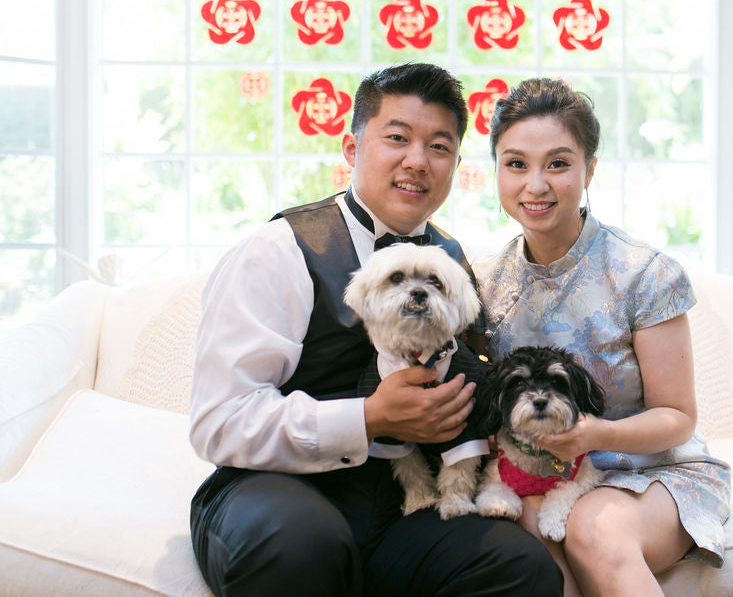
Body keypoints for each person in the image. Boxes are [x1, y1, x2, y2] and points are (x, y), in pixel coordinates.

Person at [188, 63, 562, 596]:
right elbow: (219, 422)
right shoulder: (277, 250)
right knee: (299, 544)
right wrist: (368, 418)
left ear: (455, 165)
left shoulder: (452, 263)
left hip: (407, 505)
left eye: (439, 147)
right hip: (277, 489)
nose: (417, 160)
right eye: (397, 138)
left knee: (518, 566)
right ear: (351, 147)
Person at [474, 78, 732, 596]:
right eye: (516, 163)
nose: (535, 185)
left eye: (558, 163)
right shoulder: (485, 285)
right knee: (527, 532)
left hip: (653, 472)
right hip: (542, 479)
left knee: (593, 529)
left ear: (590, 169)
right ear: (496, 171)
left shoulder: (644, 274)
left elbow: (677, 418)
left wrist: (596, 435)